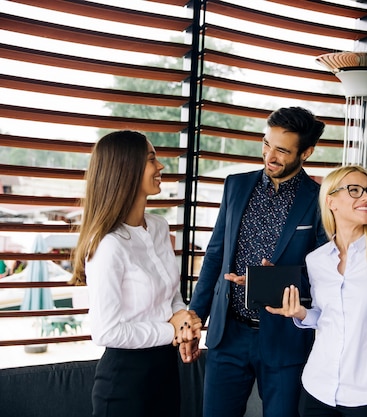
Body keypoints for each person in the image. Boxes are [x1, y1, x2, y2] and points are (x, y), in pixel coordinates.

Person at [187, 106, 328, 417]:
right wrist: (195, 315)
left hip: (284, 338)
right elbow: (215, 254)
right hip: (229, 334)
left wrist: (273, 283)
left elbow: (326, 272)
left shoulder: (320, 200)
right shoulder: (236, 186)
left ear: (306, 153)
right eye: (266, 143)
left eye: (281, 150)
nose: (270, 156)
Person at [267, 165, 367, 417]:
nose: (366, 197)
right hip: (317, 387)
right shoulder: (317, 260)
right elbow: (326, 317)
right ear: (331, 201)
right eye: (355, 190)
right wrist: (301, 313)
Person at [70, 130, 202, 417]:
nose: (161, 167)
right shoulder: (108, 245)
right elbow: (106, 330)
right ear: (126, 170)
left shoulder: (158, 227)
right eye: (151, 159)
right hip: (124, 385)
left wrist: (184, 321)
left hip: (166, 373)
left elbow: (171, 295)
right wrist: (173, 331)